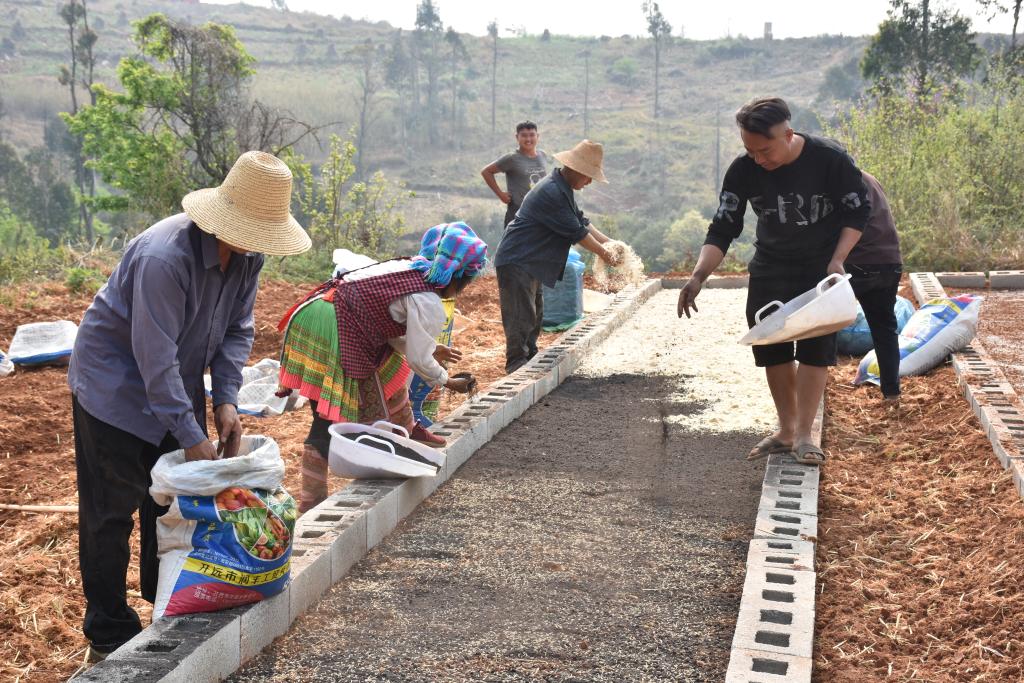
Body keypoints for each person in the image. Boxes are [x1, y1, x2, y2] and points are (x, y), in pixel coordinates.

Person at [68, 151, 312, 661]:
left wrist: (226, 400)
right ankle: (109, 632)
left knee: (168, 502)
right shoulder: (166, 258)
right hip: (114, 389)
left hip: (173, 386)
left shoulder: (246, 255)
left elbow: (236, 330)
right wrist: (192, 435)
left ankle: (167, 604)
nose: (257, 243)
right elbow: (153, 362)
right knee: (111, 513)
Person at [677, 97, 870, 466]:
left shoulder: (829, 159)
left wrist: (839, 259)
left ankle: (804, 435)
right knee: (771, 347)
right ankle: (785, 429)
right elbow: (723, 227)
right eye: (750, 151)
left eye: (764, 150)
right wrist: (699, 276)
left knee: (815, 349)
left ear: (788, 134)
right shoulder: (743, 170)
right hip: (770, 265)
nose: (758, 159)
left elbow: (858, 210)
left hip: (820, 268)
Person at [277, 222, 486, 513]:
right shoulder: (427, 300)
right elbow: (419, 360)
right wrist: (447, 381)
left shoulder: (409, 268)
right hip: (334, 327)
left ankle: (407, 429)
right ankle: (311, 501)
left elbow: (387, 325)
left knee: (389, 366)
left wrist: (427, 346)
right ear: (461, 276)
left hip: (322, 313)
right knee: (328, 414)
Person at [493, 139, 620, 374]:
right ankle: (517, 366)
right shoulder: (552, 191)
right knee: (521, 317)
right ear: (573, 169)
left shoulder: (562, 189)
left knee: (534, 314)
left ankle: (529, 359)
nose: (589, 181)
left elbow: (582, 222)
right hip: (518, 259)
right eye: (587, 175)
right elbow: (578, 233)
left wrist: (611, 244)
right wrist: (605, 254)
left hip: (532, 261)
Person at [846, 171, 903, 402]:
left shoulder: (842, 182)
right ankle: (891, 393)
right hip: (890, 260)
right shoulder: (869, 178)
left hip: (859, 262)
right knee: (885, 329)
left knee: (825, 326)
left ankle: (815, 387)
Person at [481, 120, 550, 227]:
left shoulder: (543, 155)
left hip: (540, 214)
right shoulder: (512, 158)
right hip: (517, 215)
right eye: (524, 136)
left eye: (532, 135)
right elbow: (486, 172)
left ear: (538, 136)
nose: (528, 139)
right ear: (517, 137)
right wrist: (501, 194)